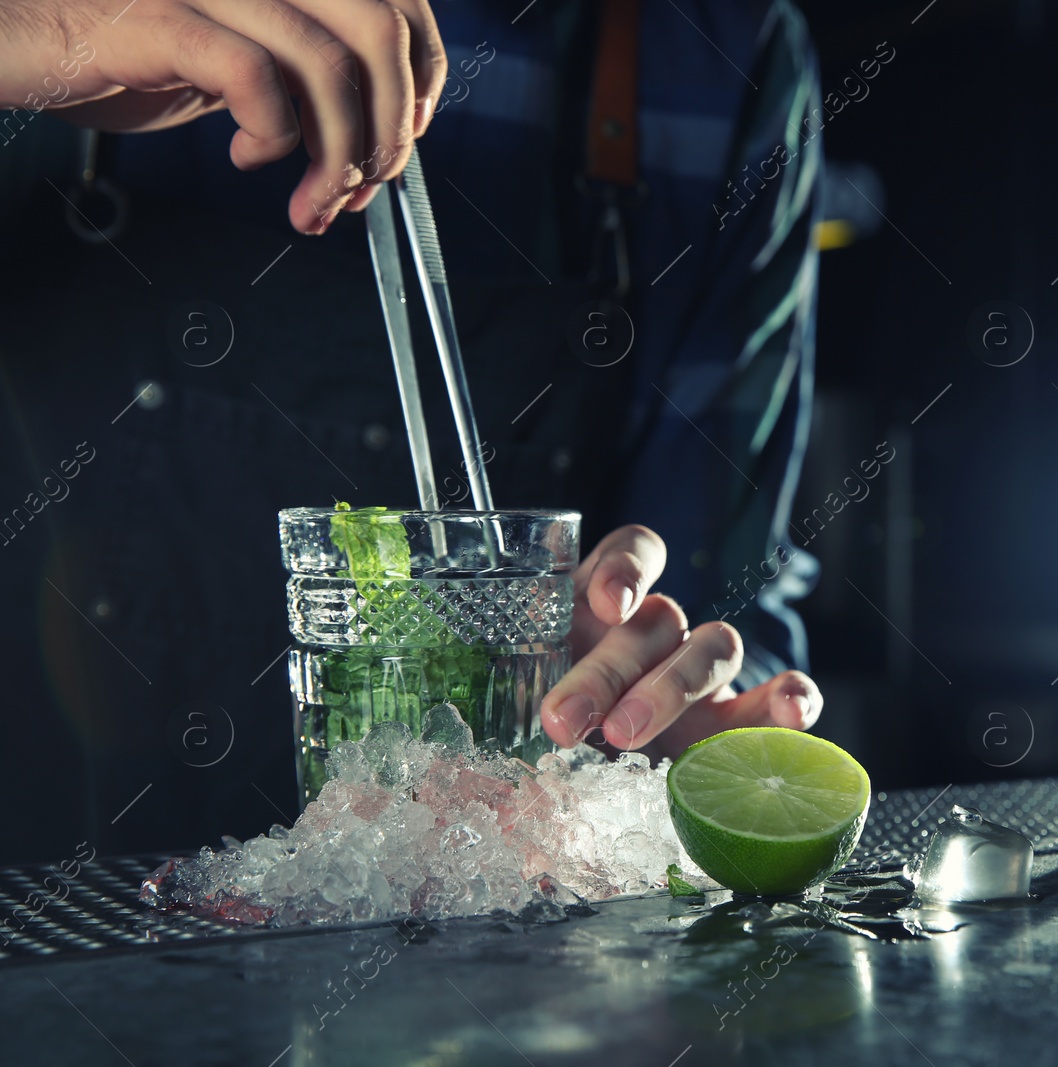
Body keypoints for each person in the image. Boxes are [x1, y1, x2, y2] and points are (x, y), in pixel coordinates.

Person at [0, 0, 823, 860]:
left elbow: (730, 610)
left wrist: (654, 720)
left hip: (468, 958)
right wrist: (45, 36)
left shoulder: (725, 55)